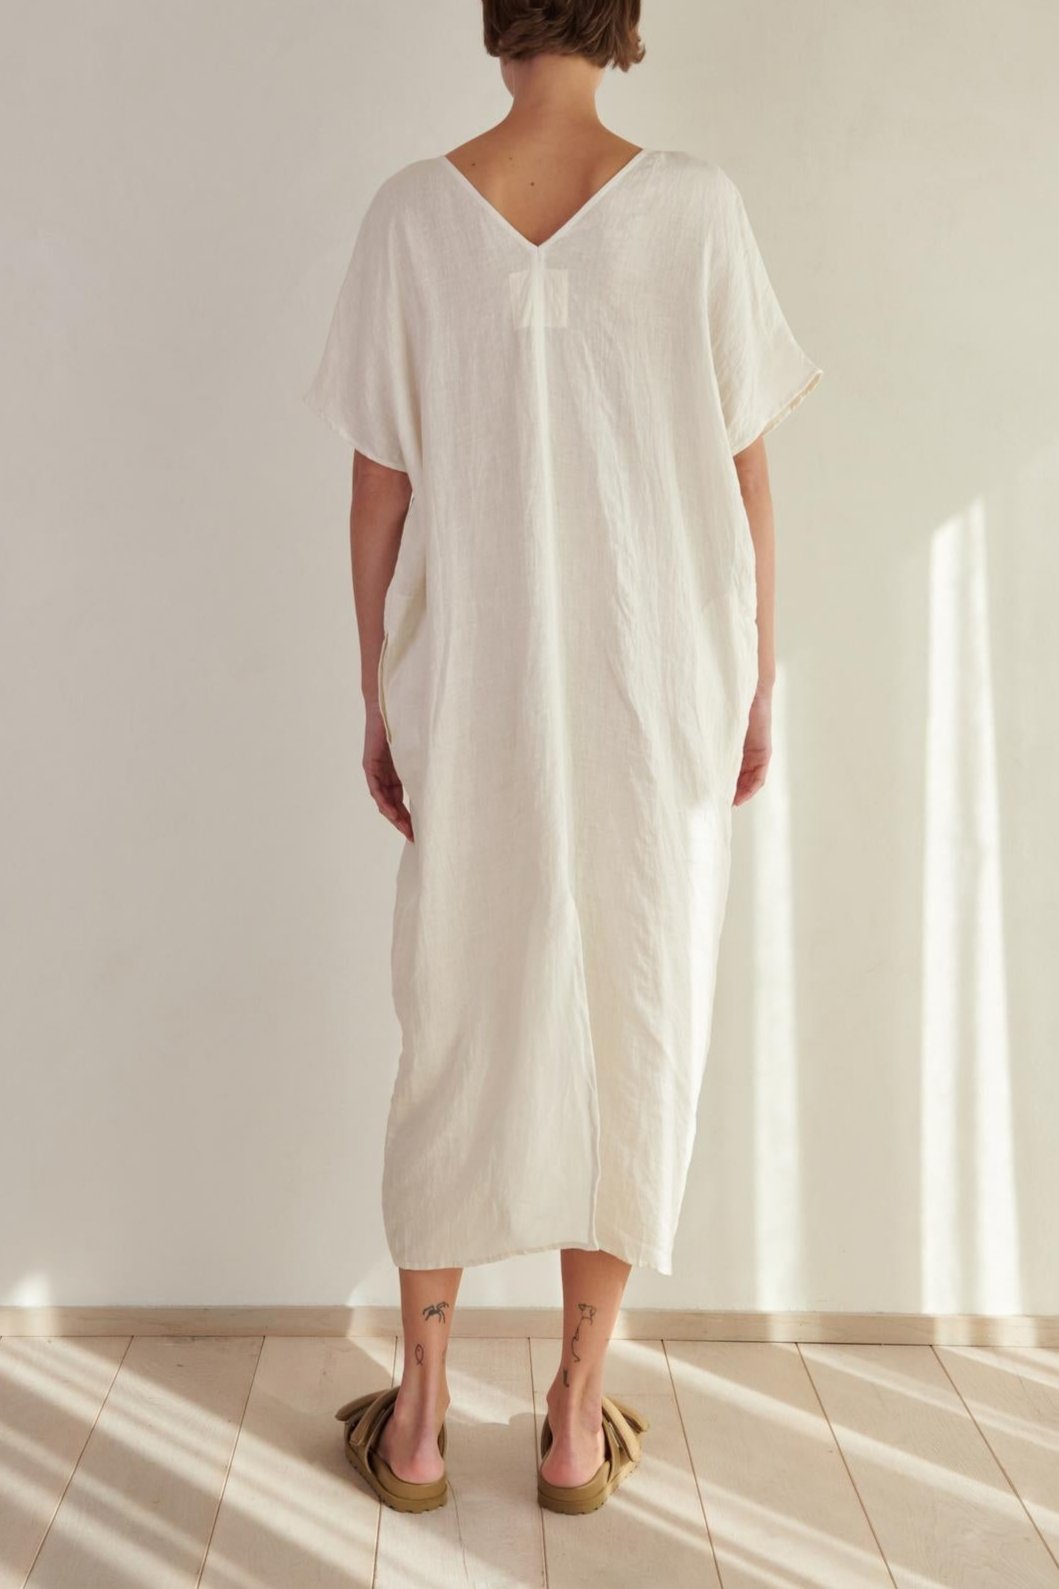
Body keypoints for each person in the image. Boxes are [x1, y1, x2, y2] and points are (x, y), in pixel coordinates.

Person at [304, 0, 822, 1516]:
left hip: (475, 689)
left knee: (458, 1015)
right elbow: (747, 472)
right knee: (635, 1018)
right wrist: (755, 678)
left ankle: (415, 1420)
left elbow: (377, 488)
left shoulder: (414, 215)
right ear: (623, 17)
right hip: (659, 681)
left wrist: (378, 690)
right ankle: (576, 1422)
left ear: (497, 15)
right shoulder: (701, 212)